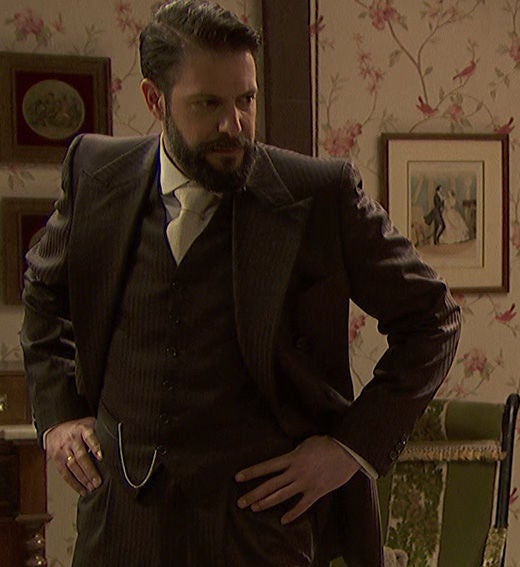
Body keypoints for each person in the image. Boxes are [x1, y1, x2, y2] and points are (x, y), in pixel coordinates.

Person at [19, 1, 460, 566]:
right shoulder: (95, 173)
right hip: (122, 525)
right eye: (208, 104)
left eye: (245, 100)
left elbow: (432, 317)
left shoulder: (319, 194)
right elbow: (44, 293)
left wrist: (348, 449)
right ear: (155, 99)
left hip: (262, 531)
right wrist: (59, 415)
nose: (234, 125)